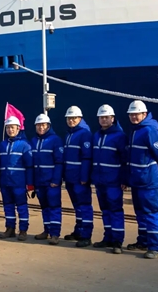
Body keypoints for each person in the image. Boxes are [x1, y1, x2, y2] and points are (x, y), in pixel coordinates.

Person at [125, 100, 158, 259]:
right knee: (140, 214)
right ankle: (143, 241)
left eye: (137, 114)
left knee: (151, 213)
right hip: (137, 182)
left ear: (144, 114)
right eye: (131, 114)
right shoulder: (135, 131)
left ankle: (156, 247)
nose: (134, 117)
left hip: (149, 182)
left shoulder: (149, 131)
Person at [92, 105, 128, 254]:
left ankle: (117, 241)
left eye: (106, 117)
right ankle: (108, 237)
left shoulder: (120, 136)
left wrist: (124, 179)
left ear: (112, 118)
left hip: (114, 182)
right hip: (100, 181)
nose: (104, 120)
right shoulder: (96, 135)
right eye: (101, 117)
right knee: (105, 211)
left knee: (116, 211)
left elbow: (125, 160)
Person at [29, 113, 64, 245]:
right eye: (38, 125)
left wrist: (56, 180)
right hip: (39, 181)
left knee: (54, 206)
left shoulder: (55, 140)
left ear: (48, 125)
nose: (41, 127)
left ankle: (55, 234)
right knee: (44, 207)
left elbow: (59, 162)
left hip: (51, 182)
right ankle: (47, 230)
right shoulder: (33, 141)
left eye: (43, 125)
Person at [0, 116, 32, 241]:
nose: (10, 130)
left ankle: (23, 230)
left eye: (12, 127)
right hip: (5, 183)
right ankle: (10, 229)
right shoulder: (2, 145)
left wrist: (29, 183)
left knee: (22, 206)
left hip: (19, 183)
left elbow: (29, 166)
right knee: (8, 206)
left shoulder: (24, 145)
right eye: (8, 127)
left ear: (18, 128)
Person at [63, 106, 94, 247]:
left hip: (79, 179)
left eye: (74, 118)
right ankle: (79, 231)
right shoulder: (69, 134)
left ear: (80, 119)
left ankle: (86, 235)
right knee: (77, 207)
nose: (71, 120)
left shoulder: (84, 134)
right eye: (69, 118)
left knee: (85, 206)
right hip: (70, 178)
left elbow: (87, 158)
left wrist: (84, 177)